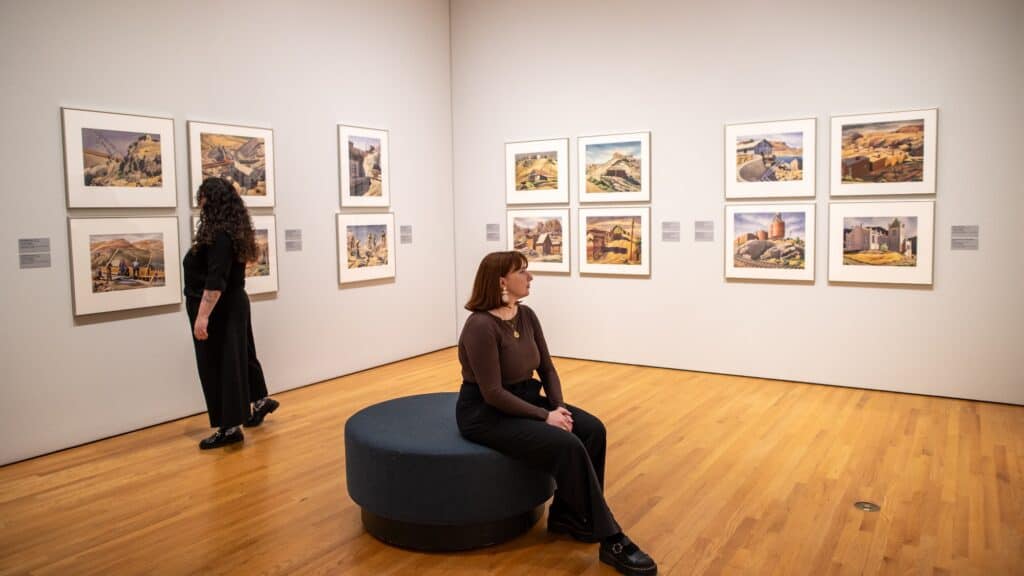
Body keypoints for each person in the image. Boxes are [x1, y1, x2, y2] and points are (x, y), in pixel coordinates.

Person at [456, 251, 657, 576]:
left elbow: (547, 368)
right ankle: (611, 537)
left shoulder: (527, 315)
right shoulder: (480, 326)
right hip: (486, 413)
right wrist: (544, 417)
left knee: (592, 429)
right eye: (523, 272)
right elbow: (492, 394)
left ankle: (569, 516)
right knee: (568, 445)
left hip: (524, 396)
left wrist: (558, 406)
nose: (530, 277)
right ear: (502, 281)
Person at [183, 177, 279, 450]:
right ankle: (258, 402)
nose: (199, 205)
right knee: (240, 356)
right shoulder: (232, 230)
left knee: (219, 364)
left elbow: (216, 280)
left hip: (220, 308)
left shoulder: (220, 235)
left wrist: (202, 317)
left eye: (201, 199)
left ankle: (229, 428)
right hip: (234, 303)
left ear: (211, 201)